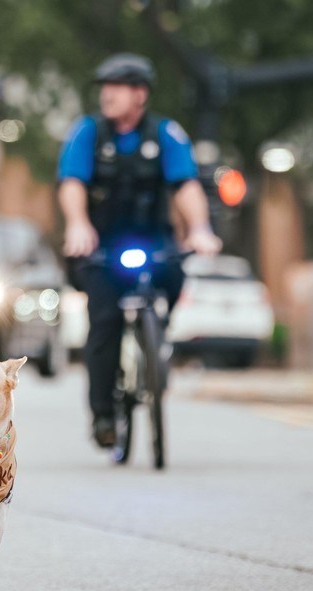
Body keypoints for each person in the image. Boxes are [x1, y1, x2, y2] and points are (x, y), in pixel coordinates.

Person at [57, 53, 222, 448]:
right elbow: (72, 182)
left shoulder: (166, 133)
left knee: (176, 273)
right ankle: (103, 415)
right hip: (100, 245)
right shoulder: (88, 132)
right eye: (104, 87)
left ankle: (157, 337)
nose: (107, 95)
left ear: (140, 94)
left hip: (154, 240)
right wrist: (77, 223)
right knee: (104, 321)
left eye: (117, 87)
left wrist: (200, 229)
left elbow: (186, 186)